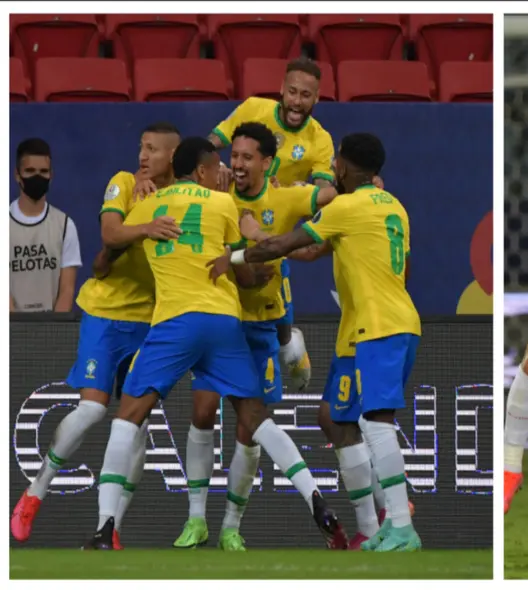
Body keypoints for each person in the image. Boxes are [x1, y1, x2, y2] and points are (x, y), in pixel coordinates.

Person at [86, 137, 342, 550]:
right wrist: (255, 274)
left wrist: (141, 221)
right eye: (218, 165)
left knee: (127, 417)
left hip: (175, 322)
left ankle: (104, 526)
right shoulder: (224, 204)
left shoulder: (150, 204)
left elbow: (112, 238)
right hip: (224, 321)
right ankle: (316, 499)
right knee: (256, 418)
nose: (223, 172)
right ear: (203, 170)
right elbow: (243, 272)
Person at [211, 132, 423, 552]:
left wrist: (241, 245)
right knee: (335, 417)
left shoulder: (346, 206)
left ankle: (401, 525)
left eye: (336, 163)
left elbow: (281, 244)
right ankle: (372, 528)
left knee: (375, 422)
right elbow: (312, 251)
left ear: (343, 166)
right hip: (371, 326)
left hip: (380, 326)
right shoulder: (392, 206)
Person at [170, 122, 344, 551]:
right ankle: (196, 520)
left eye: (248, 157)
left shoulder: (283, 197)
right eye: (235, 155)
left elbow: (330, 196)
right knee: (202, 411)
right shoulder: (217, 194)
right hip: (224, 321)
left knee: (249, 429)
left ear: (267, 163)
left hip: (263, 322)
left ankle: (231, 526)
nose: (238, 164)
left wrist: (344, 183)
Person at [10, 124, 181, 549]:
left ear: (172, 157)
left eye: (152, 149)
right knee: (91, 410)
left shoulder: (182, 197)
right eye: (140, 147)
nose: (142, 156)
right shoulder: (123, 183)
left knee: (137, 427)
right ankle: (36, 490)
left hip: (151, 321)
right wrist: (146, 225)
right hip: (105, 314)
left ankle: (110, 527)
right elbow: (109, 233)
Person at [208, 57, 338, 395]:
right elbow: (211, 145)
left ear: (317, 98)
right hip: (236, 218)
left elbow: (325, 189)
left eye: (306, 95)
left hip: (274, 231)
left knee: (281, 328)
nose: (297, 101)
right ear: (281, 89)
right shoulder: (253, 108)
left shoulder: (320, 139)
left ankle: (288, 342)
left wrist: (301, 191)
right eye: (292, 92)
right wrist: (213, 165)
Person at [9, 138, 81, 312]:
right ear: (17, 175)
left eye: (43, 171)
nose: (37, 177)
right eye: (30, 171)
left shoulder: (65, 226)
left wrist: (52, 326)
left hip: (51, 326)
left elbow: (67, 290)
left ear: (51, 175)